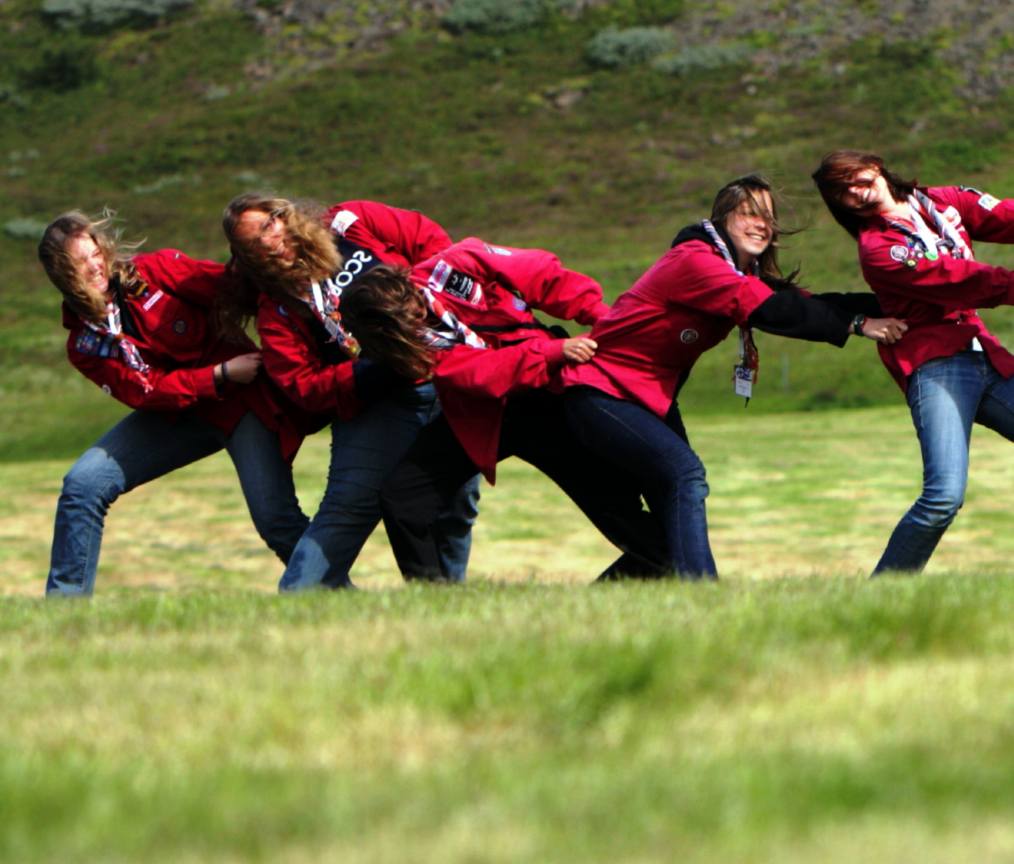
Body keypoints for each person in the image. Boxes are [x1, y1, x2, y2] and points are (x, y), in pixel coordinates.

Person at [562, 174, 908, 579]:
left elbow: (798, 303)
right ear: (724, 218)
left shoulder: (739, 273)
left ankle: (599, 610)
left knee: (670, 539)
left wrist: (900, 300)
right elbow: (768, 310)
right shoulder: (695, 262)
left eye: (768, 217)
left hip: (648, 399)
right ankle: (706, 597)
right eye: (750, 214)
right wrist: (859, 323)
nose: (762, 224)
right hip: (600, 393)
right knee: (684, 474)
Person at [811, 151, 1014, 574]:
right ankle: (882, 593)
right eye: (843, 194)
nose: (858, 192)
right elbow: (958, 281)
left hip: (986, 354)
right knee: (943, 497)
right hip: (935, 366)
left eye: (856, 178)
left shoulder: (941, 201)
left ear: (874, 165)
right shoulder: (878, 249)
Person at [332, 237, 672, 580]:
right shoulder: (403, 345)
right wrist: (552, 352)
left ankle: (678, 568)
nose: (420, 315)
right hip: (482, 413)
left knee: (619, 513)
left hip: (545, 398)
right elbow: (478, 374)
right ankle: (435, 605)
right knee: (402, 500)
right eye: (406, 321)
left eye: (413, 304)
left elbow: (541, 276)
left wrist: (603, 318)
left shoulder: (457, 262)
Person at [36, 210, 309, 596]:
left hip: (240, 403)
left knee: (275, 519)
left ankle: (334, 591)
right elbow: (146, 392)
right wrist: (220, 373)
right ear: (60, 275)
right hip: (177, 414)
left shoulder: (155, 271)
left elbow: (234, 290)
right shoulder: (83, 345)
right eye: (79, 263)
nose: (95, 266)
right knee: (82, 485)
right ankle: (63, 614)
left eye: (95, 253)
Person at [220, 192, 479, 589]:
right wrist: (371, 372)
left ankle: (449, 603)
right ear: (246, 257)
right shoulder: (279, 311)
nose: (270, 242)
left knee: (457, 503)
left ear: (286, 214)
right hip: (377, 402)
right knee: (347, 507)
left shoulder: (351, 221)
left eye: (270, 225)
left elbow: (431, 240)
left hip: (449, 377)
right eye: (254, 243)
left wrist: (425, 304)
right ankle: (300, 595)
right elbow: (302, 385)